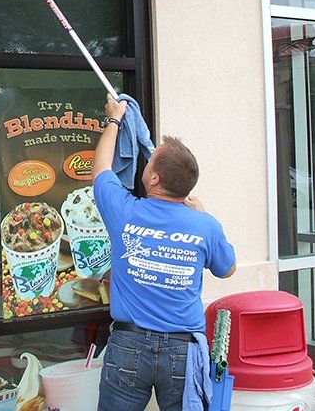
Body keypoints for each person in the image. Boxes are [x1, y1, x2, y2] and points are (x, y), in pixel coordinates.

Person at [93, 94, 236, 411]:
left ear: (154, 178)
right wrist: (202, 217)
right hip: (183, 350)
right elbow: (227, 269)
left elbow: (101, 168)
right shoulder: (206, 225)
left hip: (128, 345)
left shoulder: (125, 212)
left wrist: (114, 119)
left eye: (151, 159)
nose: (146, 159)